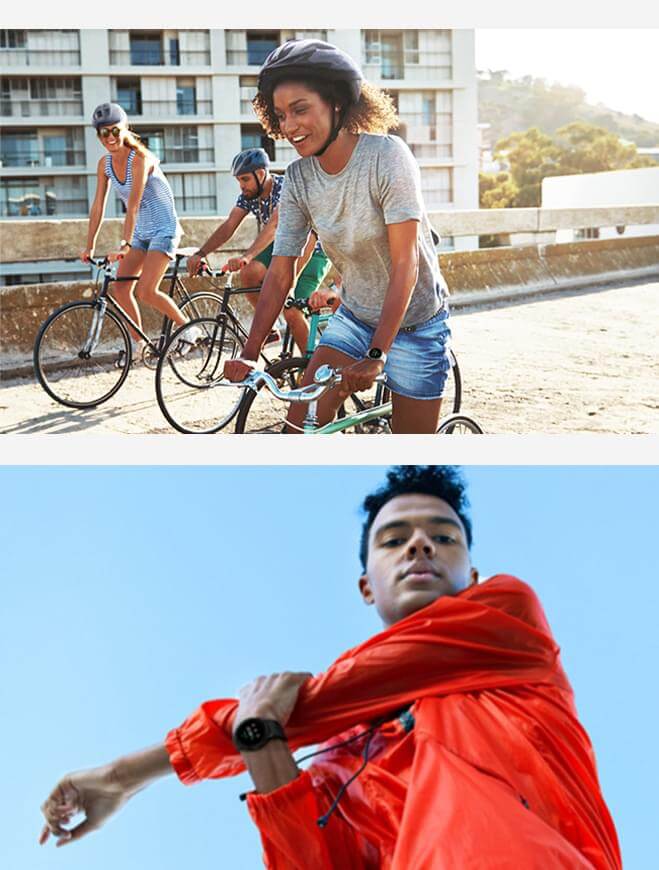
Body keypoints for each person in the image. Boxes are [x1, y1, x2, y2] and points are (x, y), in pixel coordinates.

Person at [39, 466, 620, 869]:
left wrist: (122, 775)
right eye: (394, 539)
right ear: (367, 585)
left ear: (472, 575)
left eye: (443, 536)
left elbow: (320, 701)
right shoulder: (342, 757)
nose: (420, 545)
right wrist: (260, 738)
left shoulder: (509, 616)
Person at [224, 40, 452, 434]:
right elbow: (281, 271)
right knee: (300, 426)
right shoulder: (298, 178)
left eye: (300, 109)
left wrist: (378, 353)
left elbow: (406, 262)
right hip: (356, 316)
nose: (289, 126)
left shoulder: (387, 157)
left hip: (416, 323)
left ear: (336, 103)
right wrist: (249, 353)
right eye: (280, 115)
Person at [81, 102, 201, 361]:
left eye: (115, 131)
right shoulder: (105, 165)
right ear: (99, 136)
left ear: (125, 129)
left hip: (163, 229)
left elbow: (132, 206)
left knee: (146, 290)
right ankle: (140, 345)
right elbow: (98, 206)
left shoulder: (141, 159)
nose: (110, 138)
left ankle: (189, 330)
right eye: (104, 133)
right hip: (141, 234)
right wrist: (89, 245)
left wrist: (125, 244)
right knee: (121, 288)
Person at [187, 147, 333, 352]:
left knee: (292, 311)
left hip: (313, 247)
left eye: (245, 179)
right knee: (249, 273)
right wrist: (201, 253)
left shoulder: (284, 187)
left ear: (261, 174)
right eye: (238, 180)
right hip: (283, 244)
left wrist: (247, 255)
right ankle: (271, 326)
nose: (241, 186)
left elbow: (274, 225)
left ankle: (310, 368)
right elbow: (230, 225)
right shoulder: (249, 195)